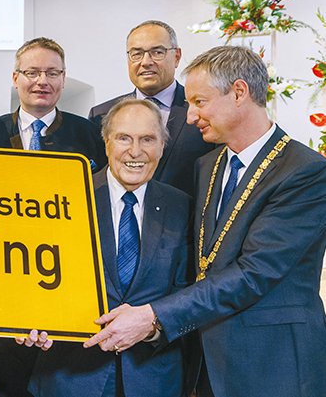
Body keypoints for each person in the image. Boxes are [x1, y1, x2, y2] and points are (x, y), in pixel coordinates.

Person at [84, 45, 326, 397]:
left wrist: (153, 315)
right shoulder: (208, 166)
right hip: (208, 363)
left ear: (239, 92)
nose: (190, 115)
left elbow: (254, 272)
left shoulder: (304, 171)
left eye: (200, 102)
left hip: (273, 364)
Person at [0, 37, 105, 397]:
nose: (42, 81)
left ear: (63, 78)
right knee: (8, 378)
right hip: (1, 277)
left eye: (52, 72)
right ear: (16, 77)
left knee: (62, 376)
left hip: (66, 278)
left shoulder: (89, 134)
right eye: (32, 72)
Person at [27, 99, 193, 397]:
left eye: (148, 139)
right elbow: (33, 281)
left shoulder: (182, 207)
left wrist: (153, 327)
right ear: (106, 143)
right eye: (124, 138)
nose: (135, 151)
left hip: (153, 380)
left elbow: (187, 294)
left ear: (162, 147)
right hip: (70, 378)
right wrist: (33, 320)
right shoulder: (65, 199)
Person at [88, 20, 216, 196]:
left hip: (185, 220)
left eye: (157, 52)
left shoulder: (202, 111)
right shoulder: (102, 114)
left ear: (177, 57)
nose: (146, 62)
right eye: (137, 54)